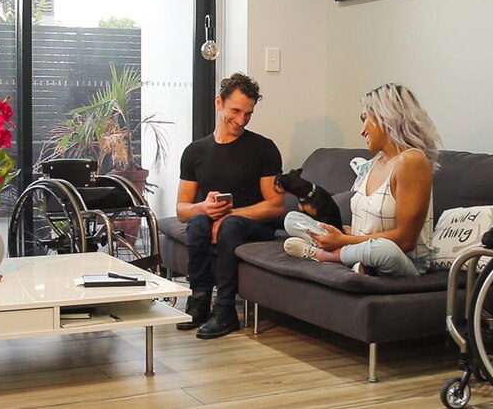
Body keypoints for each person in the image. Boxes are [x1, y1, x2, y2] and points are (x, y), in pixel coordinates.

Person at [282, 83, 439, 277]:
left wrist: (343, 240)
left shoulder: (412, 161)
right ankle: (354, 260)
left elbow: (406, 240)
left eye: (365, 119)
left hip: (403, 260)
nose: (362, 130)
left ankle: (324, 255)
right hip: (360, 244)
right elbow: (365, 227)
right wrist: (344, 233)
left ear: (386, 117)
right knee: (293, 220)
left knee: (382, 249)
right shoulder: (374, 163)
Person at [175, 73, 284, 339]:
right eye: (235, 111)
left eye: (248, 114)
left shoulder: (264, 148)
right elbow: (181, 209)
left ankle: (225, 310)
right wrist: (203, 208)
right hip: (215, 220)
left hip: (254, 225)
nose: (241, 120)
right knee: (198, 222)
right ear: (218, 103)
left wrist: (229, 215)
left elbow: (276, 205)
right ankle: (199, 301)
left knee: (231, 224)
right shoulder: (195, 152)